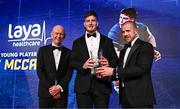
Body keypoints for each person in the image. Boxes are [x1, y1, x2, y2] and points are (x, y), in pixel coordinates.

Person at [96, 21, 156, 108]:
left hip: (141, 99)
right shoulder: (123, 50)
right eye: (123, 32)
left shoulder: (146, 46)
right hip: (125, 99)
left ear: (136, 31)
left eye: (128, 31)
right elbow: (122, 72)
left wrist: (113, 71)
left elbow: (141, 70)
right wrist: (105, 74)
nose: (125, 34)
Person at [70, 11, 118, 108]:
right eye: (88, 21)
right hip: (83, 86)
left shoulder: (107, 41)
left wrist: (108, 63)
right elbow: (72, 62)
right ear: (84, 24)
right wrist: (83, 65)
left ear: (97, 23)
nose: (90, 23)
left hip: (102, 85)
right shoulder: (77, 42)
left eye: (93, 20)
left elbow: (116, 60)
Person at [37, 25, 72, 108]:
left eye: (61, 34)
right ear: (51, 34)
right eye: (56, 33)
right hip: (45, 92)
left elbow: (69, 73)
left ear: (64, 36)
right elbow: (39, 70)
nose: (58, 36)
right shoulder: (42, 50)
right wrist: (52, 88)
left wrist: (59, 87)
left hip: (61, 93)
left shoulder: (69, 53)